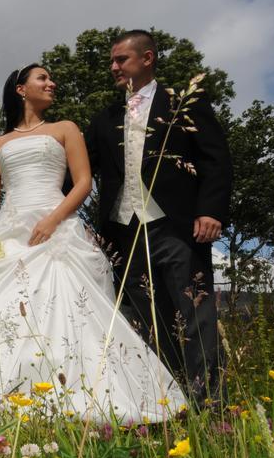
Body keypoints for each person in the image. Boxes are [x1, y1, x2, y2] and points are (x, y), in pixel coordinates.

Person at [0, 63, 186, 424]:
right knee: (2, 312)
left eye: (51, 78)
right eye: (42, 78)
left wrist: (53, 219)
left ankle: (87, 397)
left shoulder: (65, 129)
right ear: (20, 89)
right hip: (10, 233)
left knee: (69, 308)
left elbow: (83, 183)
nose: (51, 83)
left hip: (55, 224)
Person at [85, 30, 232, 408]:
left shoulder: (184, 102)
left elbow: (215, 158)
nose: (114, 67)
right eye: (113, 61)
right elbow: (80, 170)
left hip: (178, 227)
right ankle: (169, 404)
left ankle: (210, 407)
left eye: (122, 59)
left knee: (196, 315)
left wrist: (211, 210)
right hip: (124, 233)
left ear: (147, 58)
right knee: (150, 323)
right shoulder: (104, 120)